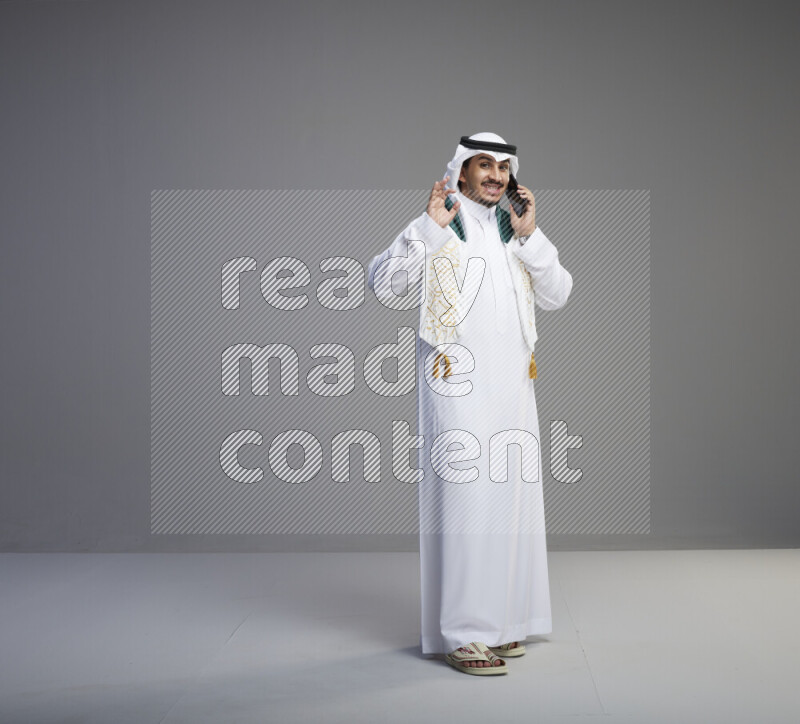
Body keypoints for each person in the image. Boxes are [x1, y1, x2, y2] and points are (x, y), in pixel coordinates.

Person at [367, 132, 573, 675]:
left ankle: (503, 625)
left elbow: (558, 294)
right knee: (466, 504)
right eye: (485, 165)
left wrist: (531, 237)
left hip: (514, 385)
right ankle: (463, 633)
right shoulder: (440, 222)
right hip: (455, 383)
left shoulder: (514, 229)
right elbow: (385, 286)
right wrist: (427, 230)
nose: (496, 176)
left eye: (504, 168)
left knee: (511, 504)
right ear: (461, 171)